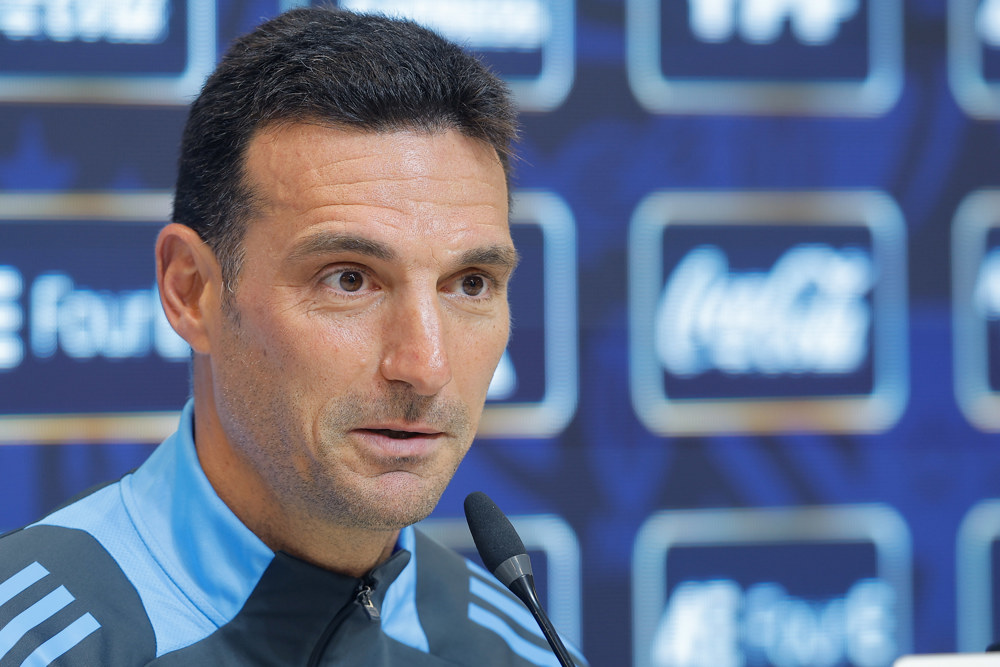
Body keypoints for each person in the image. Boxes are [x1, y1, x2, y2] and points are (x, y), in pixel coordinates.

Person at [0, 7, 586, 666]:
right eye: (349, 280)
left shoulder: (529, 655)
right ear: (190, 290)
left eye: (470, 284)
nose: (426, 365)